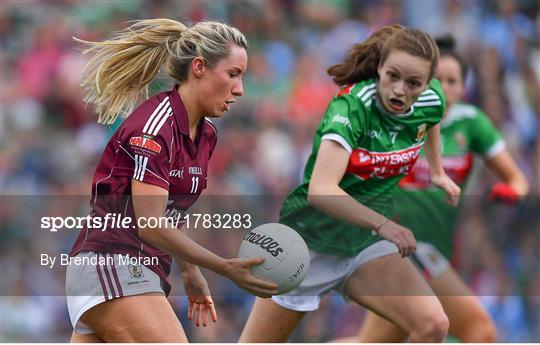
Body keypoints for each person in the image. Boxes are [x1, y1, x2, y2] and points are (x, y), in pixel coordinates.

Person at [238, 24, 461, 343]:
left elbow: (432, 117)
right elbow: (321, 191)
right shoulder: (351, 107)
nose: (399, 90)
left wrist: (437, 171)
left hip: (365, 245)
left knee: (433, 325)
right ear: (380, 67)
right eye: (392, 76)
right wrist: (385, 225)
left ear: (427, 84)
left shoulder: (430, 99)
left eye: (413, 83)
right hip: (309, 245)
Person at [65, 19, 278, 342]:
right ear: (199, 67)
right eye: (233, 74)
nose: (240, 89)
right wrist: (223, 266)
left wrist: (191, 273)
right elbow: (150, 224)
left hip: (137, 272)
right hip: (113, 265)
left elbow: (169, 213)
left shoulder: (205, 135)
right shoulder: (156, 127)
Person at [340, 34, 529, 343]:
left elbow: (516, 178)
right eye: (437, 79)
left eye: (452, 81)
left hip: (435, 249)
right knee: (477, 331)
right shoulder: (397, 118)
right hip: (399, 248)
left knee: (379, 340)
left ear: (463, 87)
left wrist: (513, 190)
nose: (444, 87)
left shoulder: (471, 122)